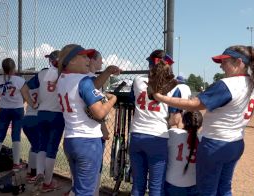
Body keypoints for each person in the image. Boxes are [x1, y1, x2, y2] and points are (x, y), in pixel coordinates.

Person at [153, 45, 254, 195]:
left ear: (239, 62)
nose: (221, 66)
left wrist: (160, 97)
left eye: (225, 61)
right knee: (224, 188)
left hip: (215, 144)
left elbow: (195, 104)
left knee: (206, 190)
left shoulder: (227, 85)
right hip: (236, 143)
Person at [56, 44, 117, 196]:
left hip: (70, 140)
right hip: (88, 143)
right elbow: (99, 113)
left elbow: (90, 86)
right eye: (83, 56)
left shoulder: (62, 78)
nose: (88, 60)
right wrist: (113, 100)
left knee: (78, 189)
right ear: (71, 61)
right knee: (86, 192)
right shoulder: (82, 80)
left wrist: (107, 72)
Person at [129, 50, 177, 195]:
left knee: (138, 184)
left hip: (137, 135)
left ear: (150, 64)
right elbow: (174, 118)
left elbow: (133, 100)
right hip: (157, 137)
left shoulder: (137, 80)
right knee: (156, 186)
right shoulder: (172, 85)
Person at [0, 58, 36, 174]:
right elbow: (26, 96)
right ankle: (16, 164)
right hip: (17, 110)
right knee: (16, 136)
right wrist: (33, 105)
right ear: (14, 68)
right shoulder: (19, 80)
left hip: (4, 110)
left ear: (3, 69)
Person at [27, 50, 64, 192]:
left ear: (51, 61)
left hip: (41, 113)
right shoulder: (65, 74)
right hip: (57, 115)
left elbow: (24, 87)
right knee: (52, 149)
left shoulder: (42, 74)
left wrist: (32, 103)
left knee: (42, 146)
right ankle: (47, 183)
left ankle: (40, 172)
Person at [87, 50, 121, 196]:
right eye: (100, 60)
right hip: (92, 131)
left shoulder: (85, 78)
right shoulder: (89, 80)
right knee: (94, 167)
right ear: (92, 61)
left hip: (81, 132)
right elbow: (95, 111)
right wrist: (104, 127)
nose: (101, 62)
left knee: (82, 169)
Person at [165, 111, 203, 196]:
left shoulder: (172, 133)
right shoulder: (202, 139)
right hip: (193, 185)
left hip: (172, 184)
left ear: (184, 121)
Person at [23, 75, 40, 181]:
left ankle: (30, 171)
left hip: (26, 119)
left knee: (34, 146)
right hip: (36, 120)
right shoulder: (44, 88)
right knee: (39, 147)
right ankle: (35, 173)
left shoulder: (29, 88)